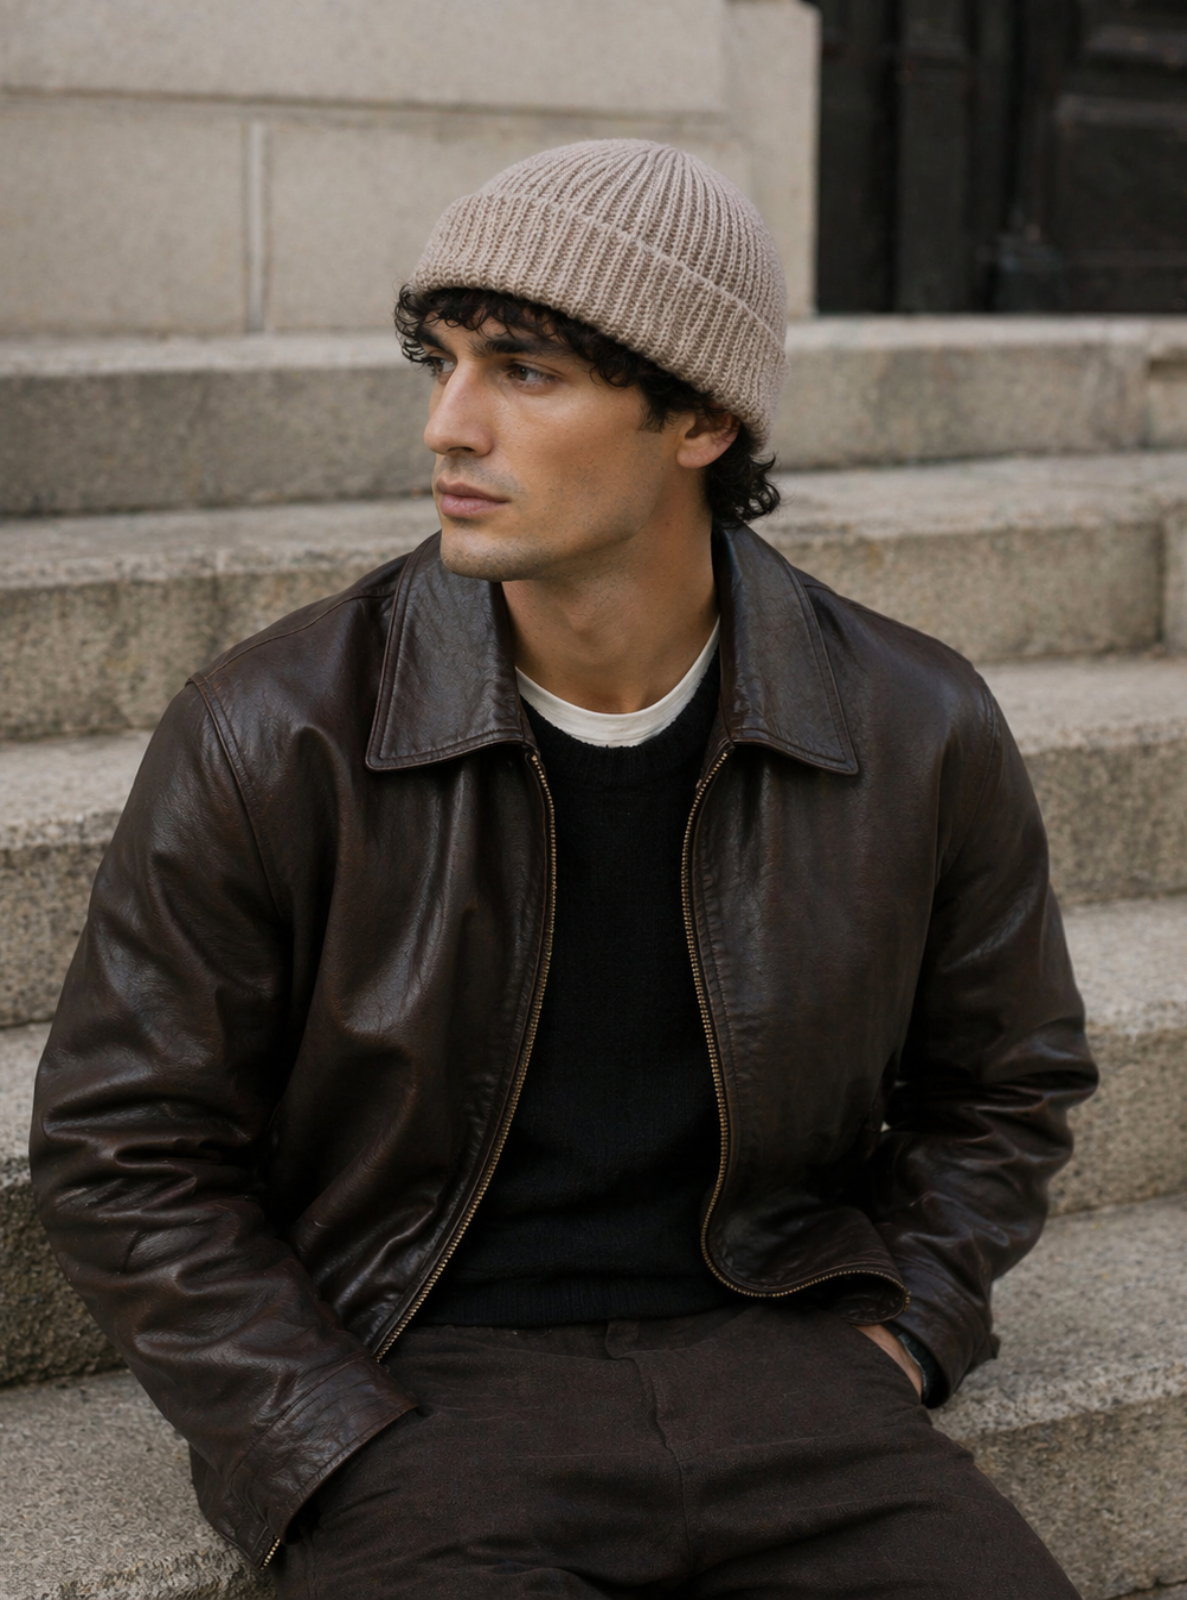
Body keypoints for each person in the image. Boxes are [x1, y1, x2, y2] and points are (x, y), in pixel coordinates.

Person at [31, 141, 1096, 1598]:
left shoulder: (915, 727)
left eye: (524, 372)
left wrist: (907, 1328)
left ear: (700, 417)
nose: (447, 426)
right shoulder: (272, 732)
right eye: (443, 362)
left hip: (790, 1373)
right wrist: (321, 1434)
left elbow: (1006, 1082)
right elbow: (123, 1141)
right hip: (417, 1391)